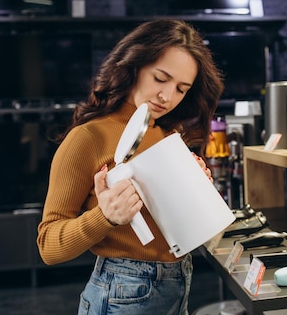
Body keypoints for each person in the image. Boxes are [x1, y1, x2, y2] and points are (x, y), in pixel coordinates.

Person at [37, 19, 224, 315]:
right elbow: (48, 246)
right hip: (123, 291)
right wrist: (105, 216)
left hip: (179, 283)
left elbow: (171, 230)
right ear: (134, 65)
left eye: (181, 89)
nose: (167, 96)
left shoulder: (167, 135)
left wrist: (196, 189)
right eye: (160, 78)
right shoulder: (88, 137)